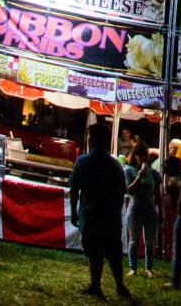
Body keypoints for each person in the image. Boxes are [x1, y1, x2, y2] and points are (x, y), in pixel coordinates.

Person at [70, 123, 132, 299]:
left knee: (94, 251)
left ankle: (96, 285)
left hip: (91, 214)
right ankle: (119, 286)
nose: (88, 140)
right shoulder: (115, 164)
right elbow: (122, 191)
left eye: (89, 137)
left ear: (94, 140)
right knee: (113, 252)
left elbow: (74, 188)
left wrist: (74, 212)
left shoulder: (83, 161)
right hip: (110, 215)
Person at [123, 148, 160, 277]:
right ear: (136, 157)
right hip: (135, 209)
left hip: (150, 210)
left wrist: (160, 211)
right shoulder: (129, 171)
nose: (144, 158)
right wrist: (139, 177)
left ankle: (148, 268)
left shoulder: (154, 174)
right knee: (134, 240)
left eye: (146, 155)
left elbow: (157, 194)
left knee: (149, 241)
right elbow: (129, 190)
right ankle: (133, 268)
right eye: (141, 155)